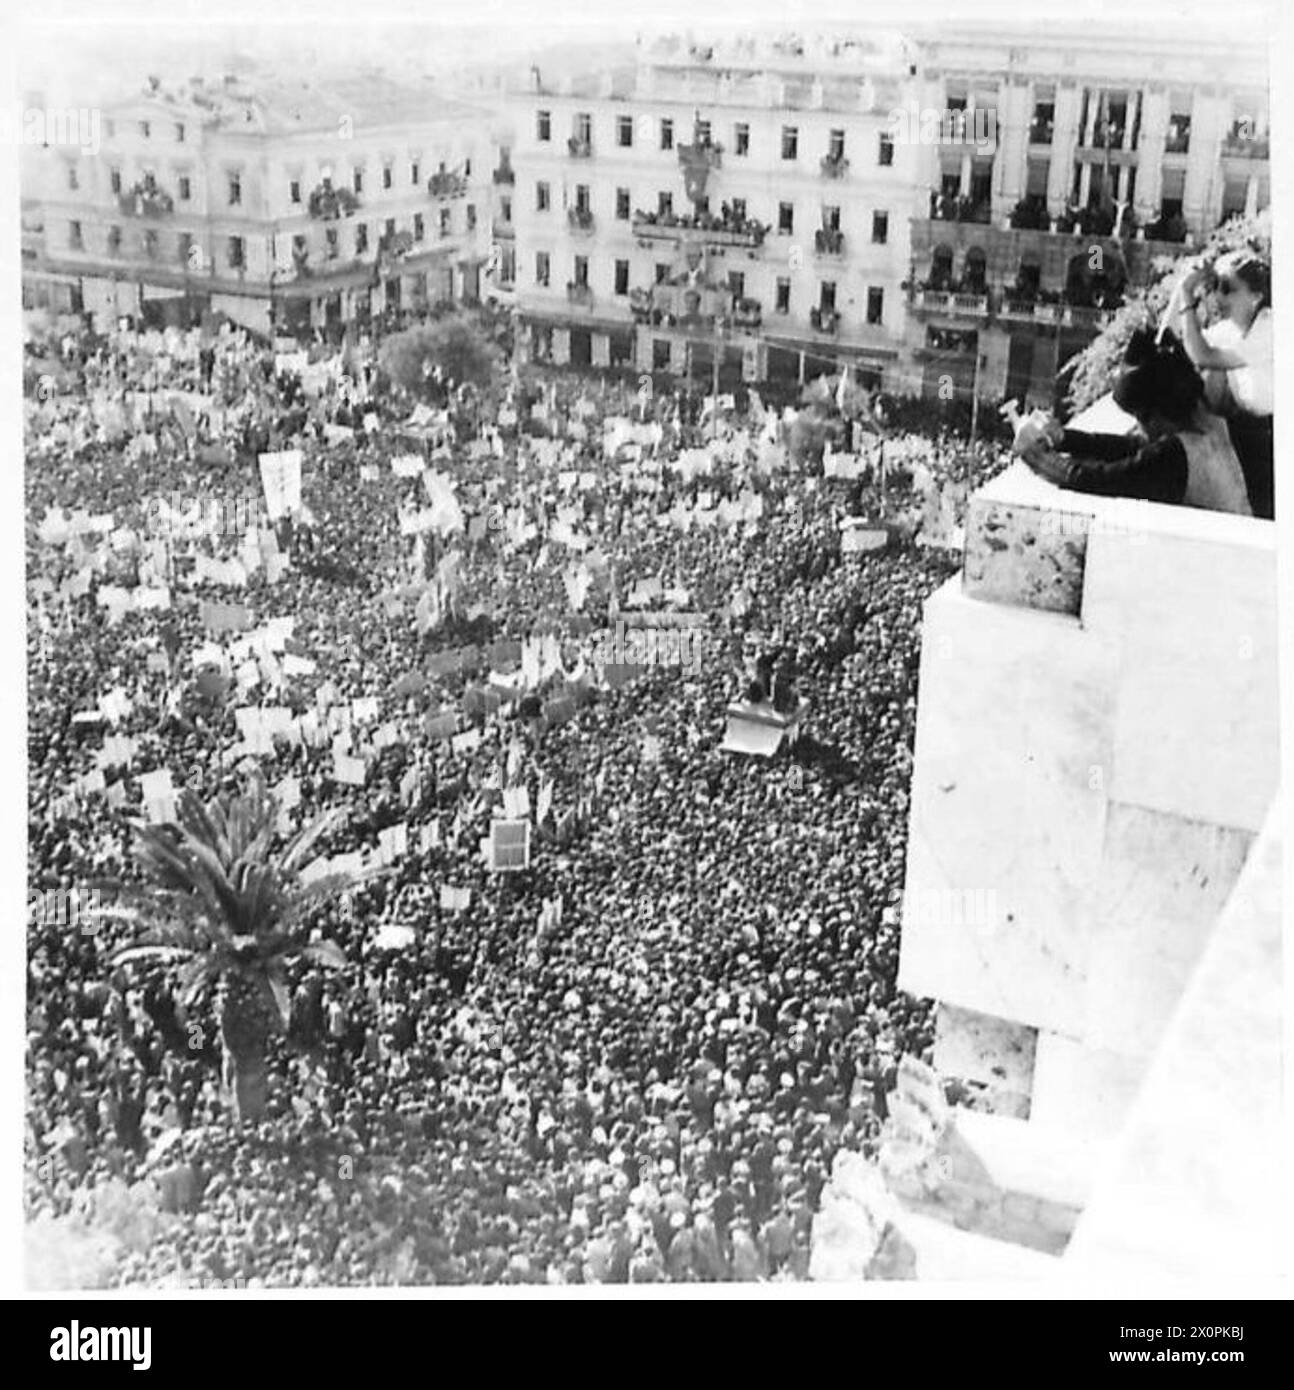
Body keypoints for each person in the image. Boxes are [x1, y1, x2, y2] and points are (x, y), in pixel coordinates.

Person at [1012, 329, 1252, 515]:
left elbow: (1099, 480)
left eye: (1141, 418)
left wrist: (1034, 454)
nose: (1140, 426)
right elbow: (1133, 447)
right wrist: (1064, 439)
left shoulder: (1174, 455)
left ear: (1156, 414)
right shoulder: (1211, 424)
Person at [1165, 251, 1273, 518]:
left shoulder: (1270, 327)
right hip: (1248, 431)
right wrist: (1183, 289)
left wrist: (1188, 299)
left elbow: (1203, 355)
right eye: (1216, 288)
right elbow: (1171, 338)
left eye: (1228, 289)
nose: (1219, 297)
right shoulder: (1234, 329)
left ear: (1256, 296)